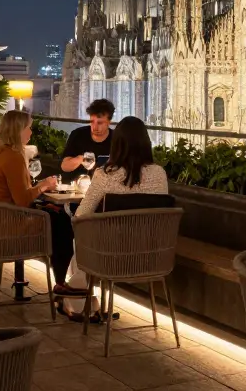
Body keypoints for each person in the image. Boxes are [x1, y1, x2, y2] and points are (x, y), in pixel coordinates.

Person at [58, 116, 170, 321]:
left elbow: (81, 215)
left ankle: (77, 299)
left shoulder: (105, 174)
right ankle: (82, 299)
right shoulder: (159, 174)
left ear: (116, 144)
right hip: (152, 254)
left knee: (80, 236)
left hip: (109, 257)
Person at [0, 110, 80, 292]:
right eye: (29, 128)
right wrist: (44, 185)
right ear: (18, 130)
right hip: (11, 225)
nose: (31, 132)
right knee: (62, 222)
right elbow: (22, 201)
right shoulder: (13, 156)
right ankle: (61, 283)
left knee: (54, 213)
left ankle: (62, 282)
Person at [59, 98, 115, 176]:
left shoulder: (116, 139)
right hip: (77, 184)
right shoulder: (78, 134)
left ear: (109, 122)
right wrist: (81, 158)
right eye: (92, 122)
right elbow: (64, 167)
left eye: (100, 123)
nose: (95, 127)